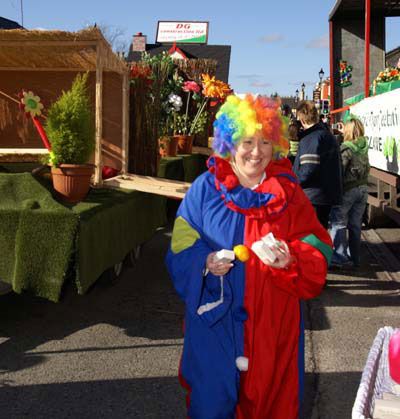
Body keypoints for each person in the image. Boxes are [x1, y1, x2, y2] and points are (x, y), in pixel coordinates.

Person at [166, 94, 333, 418]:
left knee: (270, 405)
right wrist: (204, 262)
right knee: (210, 405)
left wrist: (292, 258)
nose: (256, 152)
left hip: (273, 325)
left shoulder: (290, 192)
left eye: (265, 142)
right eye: (246, 141)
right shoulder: (204, 189)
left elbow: (319, 243)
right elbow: (181, 242)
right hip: (215, 322)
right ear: (230, 144)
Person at [294, 100, 343, 229]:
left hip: (313, 196)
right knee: (320, 234)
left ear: (302, 120)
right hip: (326, 195)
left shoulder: (310, 138)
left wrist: (292, 183)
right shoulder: (327, 135)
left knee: (312, 236)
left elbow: (308, 169)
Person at [330, 117, 370, 268]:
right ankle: (355, 257)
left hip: (348, 190)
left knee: (338, 223)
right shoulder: (364, 146)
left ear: (347, 131)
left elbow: (339, 172)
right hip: (363, 189)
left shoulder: (346, 149)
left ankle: (339, 257)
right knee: (355, 224)